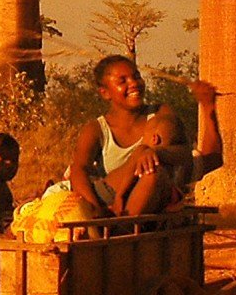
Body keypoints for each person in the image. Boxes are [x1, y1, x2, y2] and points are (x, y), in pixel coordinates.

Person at [69, 57, 222, 217]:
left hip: (151, 199)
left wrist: (155, 154)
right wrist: (94, 209)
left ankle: (124, 228)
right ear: (105, 93)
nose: (134, 83)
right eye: (122, 81)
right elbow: (78, 170)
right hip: (110, 203)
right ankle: (117, 224)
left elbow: (190, 155)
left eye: (136, 76)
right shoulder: (96, 130)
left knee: (153, 172)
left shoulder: (160, 115)